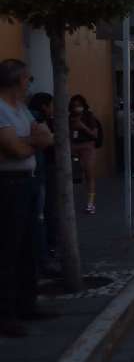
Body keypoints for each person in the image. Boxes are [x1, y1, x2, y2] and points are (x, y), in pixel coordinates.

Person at [0, 59, 55, 337]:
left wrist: (28, 142)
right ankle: (6, 314)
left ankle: (27, 304)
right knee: (9, 249)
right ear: (15, 81)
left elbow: (46, 137)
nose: (29, 84)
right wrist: (31, 142)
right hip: (7, 186)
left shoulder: (20, 109)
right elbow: (15, 150)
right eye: (27, 79)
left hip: (28, 183)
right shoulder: (0, 110)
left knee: (29, 248)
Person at [28, 93, 59, 277]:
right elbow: (47, 141)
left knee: (43, 214)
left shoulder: (32, 117)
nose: (52, 109)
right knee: (41, 216)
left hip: (39, 171)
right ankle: (43, 256)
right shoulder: (34, 118)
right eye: (50, 105)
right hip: (37, 173)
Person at [69, 95, 100, 214]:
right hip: (73, 148)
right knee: (73, 175)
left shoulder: (88, 116)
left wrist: (82, 127)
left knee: (89, 174)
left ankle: (91, 203)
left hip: (87, 147)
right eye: (74, 105)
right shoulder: (69, 117)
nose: (77, 108)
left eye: (79, 105)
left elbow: (94, 134)